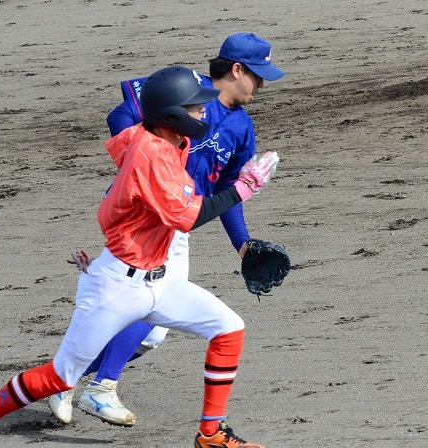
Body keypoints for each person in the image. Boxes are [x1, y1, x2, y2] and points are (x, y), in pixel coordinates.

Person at [0, 65, 280, 448]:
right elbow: (187, 218)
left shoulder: (161, 138)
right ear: (172, 115)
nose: (204, 112)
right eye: (195, 107)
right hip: (117, 287)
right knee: (60, 377)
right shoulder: (153, 155)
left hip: (159, 281)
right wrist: (244, 187)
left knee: (228, 329)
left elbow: (125, 133)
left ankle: (211, 433)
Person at [48, 33, 285, 427]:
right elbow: (120, 113)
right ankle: (98, 386)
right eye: (257, 75)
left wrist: (242, 244)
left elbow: (228, 192)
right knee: (148, 309)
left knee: (150, 331)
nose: (261, 84)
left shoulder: (241, 127)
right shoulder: (184, 91)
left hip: (180, 224)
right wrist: (139, 161)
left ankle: (64, 379)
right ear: (236, 70)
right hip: (145, 219)